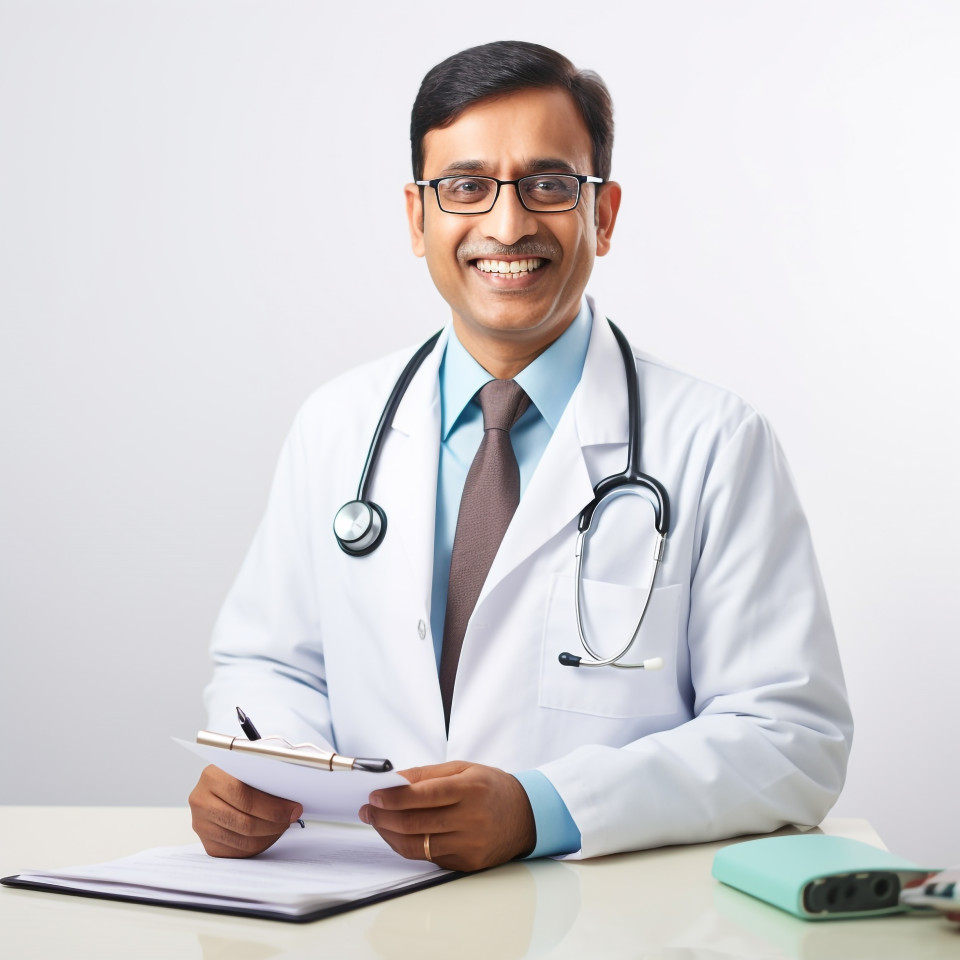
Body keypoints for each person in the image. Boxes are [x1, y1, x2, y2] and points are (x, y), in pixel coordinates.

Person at [188, 40, 853, 872]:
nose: (507, 224)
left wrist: (543, 809)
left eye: (548, 185)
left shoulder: (715, 443)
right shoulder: (337, 424)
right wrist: (267, 774)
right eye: (466, 186)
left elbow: (790, 739)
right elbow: (268, 660)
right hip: (355, 906)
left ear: (601, 215)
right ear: (417, 215)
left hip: (594, 925)